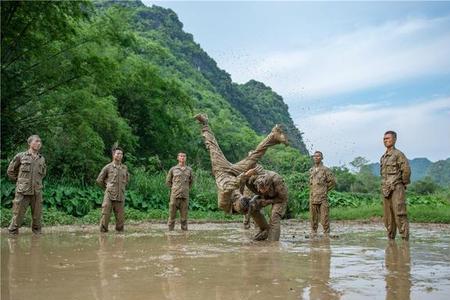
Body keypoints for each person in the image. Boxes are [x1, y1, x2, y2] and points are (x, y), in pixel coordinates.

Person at [194, 113, 288, 214]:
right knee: (254, 157)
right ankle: (273, 135)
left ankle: (204, 123)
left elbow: (230, 185)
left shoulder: (223, 203)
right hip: (236, 173)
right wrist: (255, 172)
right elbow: (243, 184)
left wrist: (247, 174)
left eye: (239, 198)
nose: (239, 196)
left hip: (221, 171)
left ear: (234, 205)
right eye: (241, 197)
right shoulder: (242, 199)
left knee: (213, 147)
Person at [7, 135, 47, 235]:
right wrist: (20, 182)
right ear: (30, 143)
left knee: (37, 218)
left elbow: (43, 173)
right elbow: (10, 171)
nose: (39, 143)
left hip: (37, 192)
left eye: (40, 142)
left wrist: (36, 183)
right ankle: (12, 236)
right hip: (22, 192)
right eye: (36, 141)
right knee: (17, 216)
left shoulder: (41, 159)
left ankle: (37, 240)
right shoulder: (21, 156)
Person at [380, 131, 411, 241]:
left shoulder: (398, 154)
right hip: (385, 190)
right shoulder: (383, 157)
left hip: (397, 188)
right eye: (384, 139)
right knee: (388, 217)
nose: (385, 140)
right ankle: (391, 242)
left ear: (394, 139)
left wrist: (403, 183)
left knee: (399, 214)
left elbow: (406, 170)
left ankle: (405, 241)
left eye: (388, 138)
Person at [243, 168, 288, 241]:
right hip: (264, 197)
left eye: (265, 189)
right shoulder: (252, 181)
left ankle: (273, 242)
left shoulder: (277, 181)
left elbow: (282, 198)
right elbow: (240, 180)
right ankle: (265, 230)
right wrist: (245, 175)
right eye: (261, 189)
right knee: (252, 206)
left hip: (279, 198)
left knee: (274, 216)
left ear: (269, 185)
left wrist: (267, 201)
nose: (263, 191)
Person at [96, 147, 129, 233]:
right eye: (117, 153)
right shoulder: (108, 167)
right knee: (105, 215)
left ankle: (119, 235)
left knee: (120, 218)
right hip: (109, 195)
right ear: (113, 155)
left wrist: (122, 187)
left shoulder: (124, 168)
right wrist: (107, 187)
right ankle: (103, 234)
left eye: (121, 154)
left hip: (120, 196)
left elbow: (127, 180)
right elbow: (99, 180)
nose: (119, 155)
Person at [309, 151, 335, 237]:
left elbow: (332, 182)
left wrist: (325, 190)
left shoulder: (325, 170)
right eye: (314, 156)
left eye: (318, 156)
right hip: (313, 197)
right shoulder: (311, 170)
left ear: (322, 158)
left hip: (323, 197)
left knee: (325, 217)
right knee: (313, 217)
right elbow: (311, 184)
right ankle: (313, 232)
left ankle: (326, 234)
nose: (316, 158)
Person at [166, 152, 194, 231]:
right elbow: (168, 182)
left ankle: (184, 236)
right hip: (174, 196)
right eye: (181, 156)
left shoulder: (189, 170)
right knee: (171, 218)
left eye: (184, 156)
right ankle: (170, 234)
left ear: (186, 158)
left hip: (185, 197)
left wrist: (186, 189)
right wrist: (175, 189)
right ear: (178, 158)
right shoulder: (173, 169)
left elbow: (191, 182)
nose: (182, 157)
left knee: (184, 219)